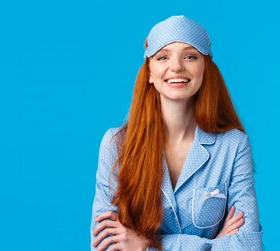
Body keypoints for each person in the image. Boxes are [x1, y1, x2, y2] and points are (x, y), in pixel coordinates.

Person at [90, 16, 263, 251]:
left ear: (205, 68)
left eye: (190, 56)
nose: (177, 67)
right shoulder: (116, 144)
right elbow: (106, 245)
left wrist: (148, 245)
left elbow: (248, 246)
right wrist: (213, 244)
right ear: (150, 72)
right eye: (163, 57)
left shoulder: (233, 145)